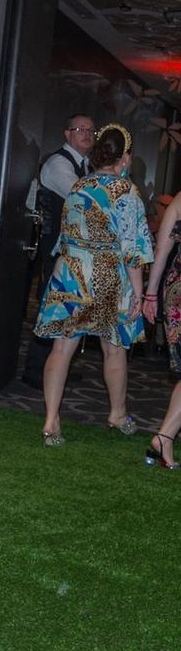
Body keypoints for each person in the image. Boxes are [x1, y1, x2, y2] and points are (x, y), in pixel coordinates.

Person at [35, 123, 153, 446]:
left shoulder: (79, 186)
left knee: (62, 347)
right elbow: (134, 250)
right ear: (125, 158)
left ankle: (50, 420)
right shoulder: (127, 193)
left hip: (71, 270)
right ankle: (117, 414)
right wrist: (139, 294)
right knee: (114, 349)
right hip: (107, 274)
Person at [23, 113, 95, 387]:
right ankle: (35, 370)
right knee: (49, 306)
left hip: (72, 250)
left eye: (91, 130)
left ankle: (56, 367)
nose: (86, 134)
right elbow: (84, 199)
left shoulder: (85, 165)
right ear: (67, 134)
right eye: (80, 129)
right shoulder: (58, 164)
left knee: (66, 309)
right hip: (55, 248)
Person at [140, 191, 181, 469]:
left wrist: (151, 293)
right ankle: (165, 435)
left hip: (176, 288)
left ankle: (165, 436)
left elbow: (162, 248)